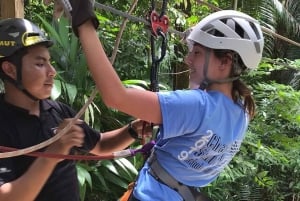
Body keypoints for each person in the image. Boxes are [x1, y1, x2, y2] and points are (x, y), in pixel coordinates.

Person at [58, 1, 264, 200]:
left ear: (225, 62)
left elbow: (115, 96)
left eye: (198, 53)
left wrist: (84, 23)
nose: (188, 59)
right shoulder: (242, 110)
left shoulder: (198, 105)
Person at [0, 18, 151, 201]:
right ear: (9, 69)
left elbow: (101, 144)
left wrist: (133, 130)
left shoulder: (57, 111)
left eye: (49, 62)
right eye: (40, 64)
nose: (52, 71)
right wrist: (53, 152)